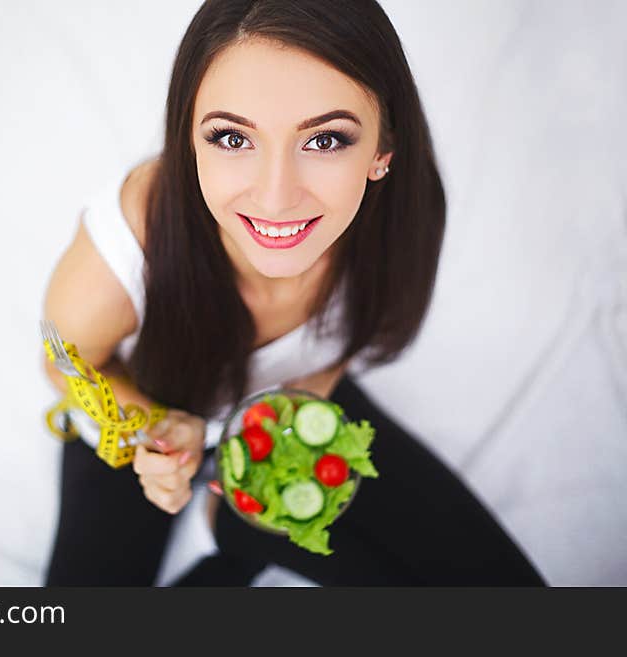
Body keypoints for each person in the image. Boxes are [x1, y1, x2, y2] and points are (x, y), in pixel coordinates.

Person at [42, 0, 545, 585]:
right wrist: (150, 428)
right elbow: (60, 357)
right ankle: (231, 535)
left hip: (287, 407)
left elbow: (345, 348)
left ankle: (228, 522)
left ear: (383, 150)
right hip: (144, 420)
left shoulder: (400, 226)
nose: (276, 198)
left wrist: (284, 427)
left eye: (326, 141)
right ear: (189, 141)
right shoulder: (135, 235)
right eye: (232, 138)